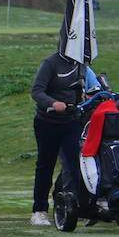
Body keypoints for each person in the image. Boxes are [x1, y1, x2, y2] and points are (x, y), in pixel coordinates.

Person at [28, 51, 89, 226]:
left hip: (71, 122)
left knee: (74, 165)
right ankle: (39, 211)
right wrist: (53, 103)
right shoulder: (51, 63)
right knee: (46, 165)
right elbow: (37, 91)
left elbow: (84, 87)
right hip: (47, 122)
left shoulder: (81, 65)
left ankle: (72, 207)